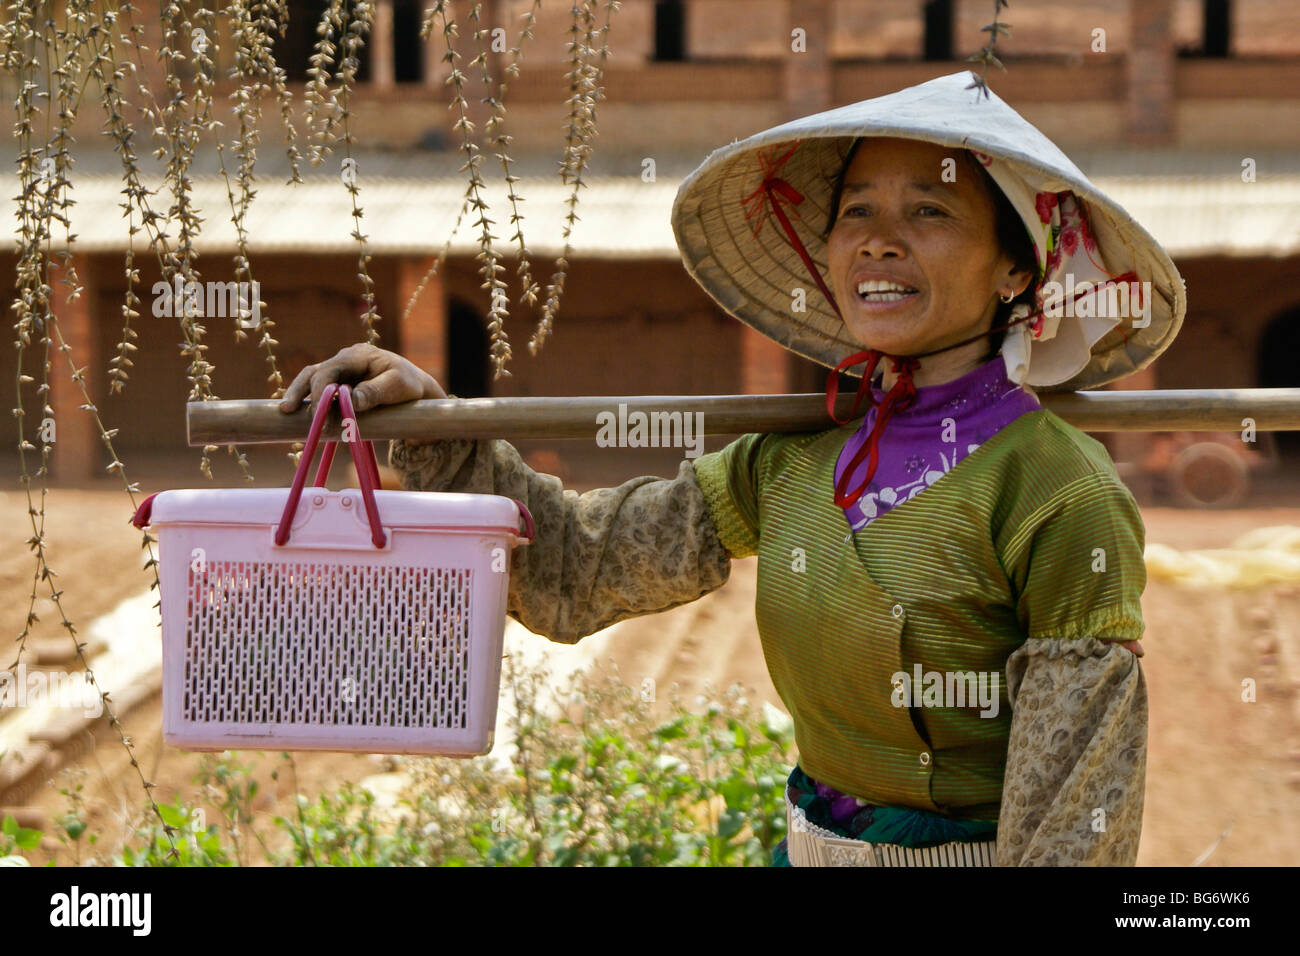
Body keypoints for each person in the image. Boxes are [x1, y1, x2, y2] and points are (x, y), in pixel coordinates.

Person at [278, 72, 1185, 866]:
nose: (878, 239)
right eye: (856, 211)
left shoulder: (1059, 494)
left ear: (1017, 273)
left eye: (931, 211)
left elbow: (1075, 818)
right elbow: (574, 571)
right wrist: (434, 425)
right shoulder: (786, 462)